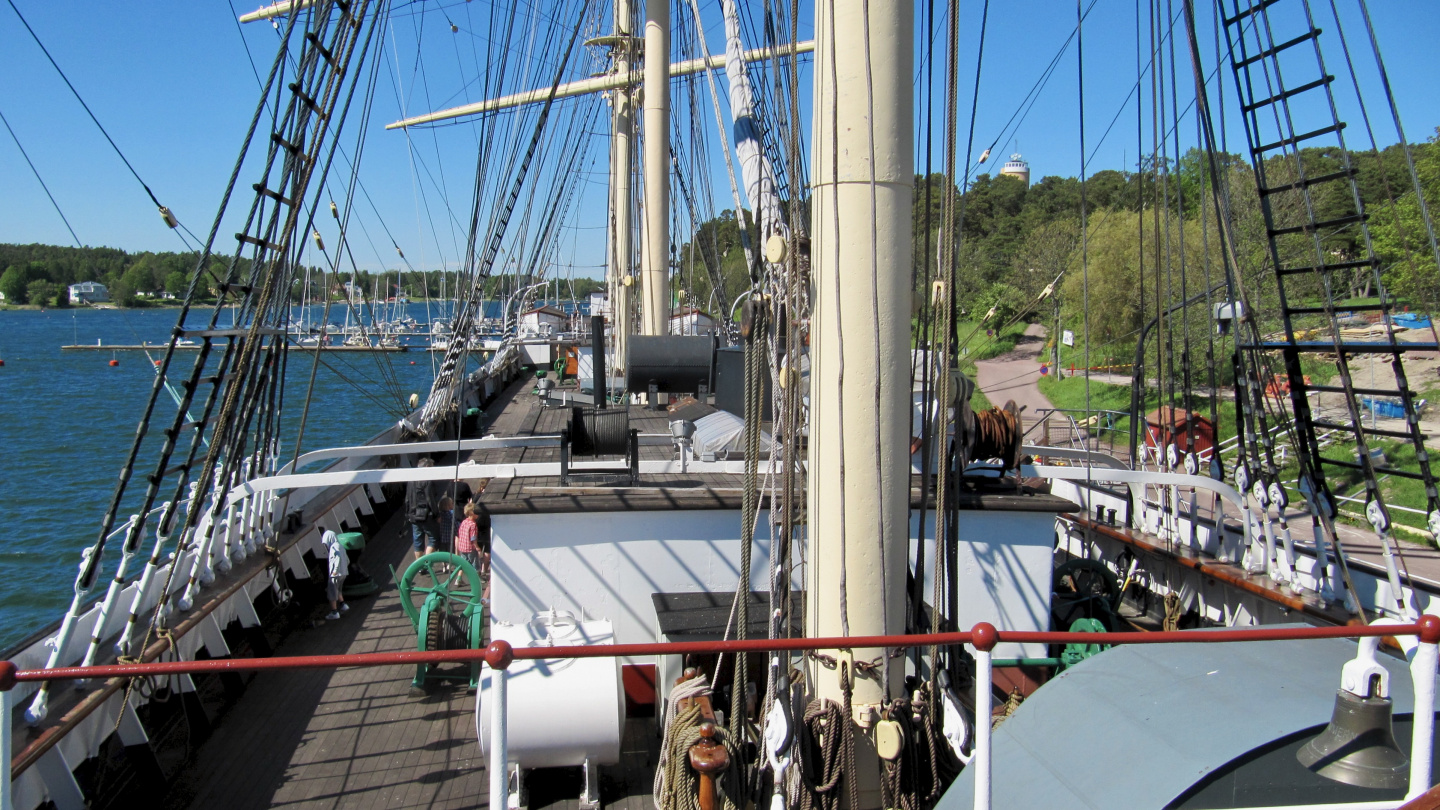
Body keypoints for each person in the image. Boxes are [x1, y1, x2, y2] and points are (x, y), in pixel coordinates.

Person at [455, 500, 492, 603]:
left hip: (462, 547)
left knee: (463, 564)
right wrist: (477, 548)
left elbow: (460, 533)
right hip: (470, 548)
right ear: (472, 513)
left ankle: (458, 578)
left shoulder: (464, 522)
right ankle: (476, 581)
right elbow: (473, 538)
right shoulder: (473, 525)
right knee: (475, 565)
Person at [406, 458, 441, 563]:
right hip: (427, 515)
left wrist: (408, 514)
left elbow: (407, 499)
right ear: (427, 468)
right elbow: (430, 499)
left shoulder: (410, 480)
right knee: (433, 539)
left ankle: (419, 566)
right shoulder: (428, 481)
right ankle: (426, 563)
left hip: (413, 515)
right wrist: (436, 514)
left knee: (418, 541)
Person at [321, 524, 350, 620]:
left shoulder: (333, 548)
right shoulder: (340, 546)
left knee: (332, 592)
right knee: (338, 590)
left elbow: (336, 558)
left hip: (335, 574)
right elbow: (347, 559)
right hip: (344, 573)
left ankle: (334, 612)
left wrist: (335, 571)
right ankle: (343, 604)